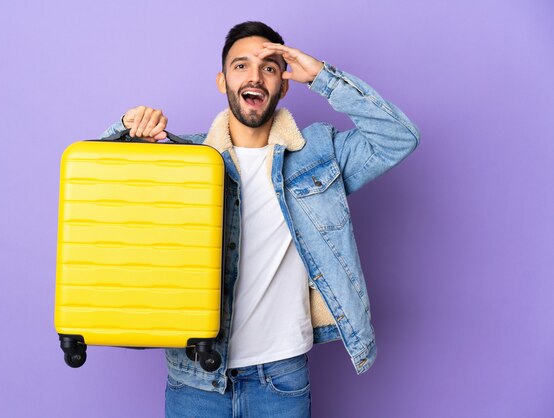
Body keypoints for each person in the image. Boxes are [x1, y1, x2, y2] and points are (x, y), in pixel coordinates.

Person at [101, 21, 419, 418]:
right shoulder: (182, 160)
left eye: (269, 67)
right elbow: (107, 202)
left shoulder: (318, 154)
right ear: (222, 81)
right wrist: (127, 133)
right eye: (240, 66)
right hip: (195, 378)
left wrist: (321, 76)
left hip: (282, 378)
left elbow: (398, 137)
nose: (254, 76)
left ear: (283, 84)